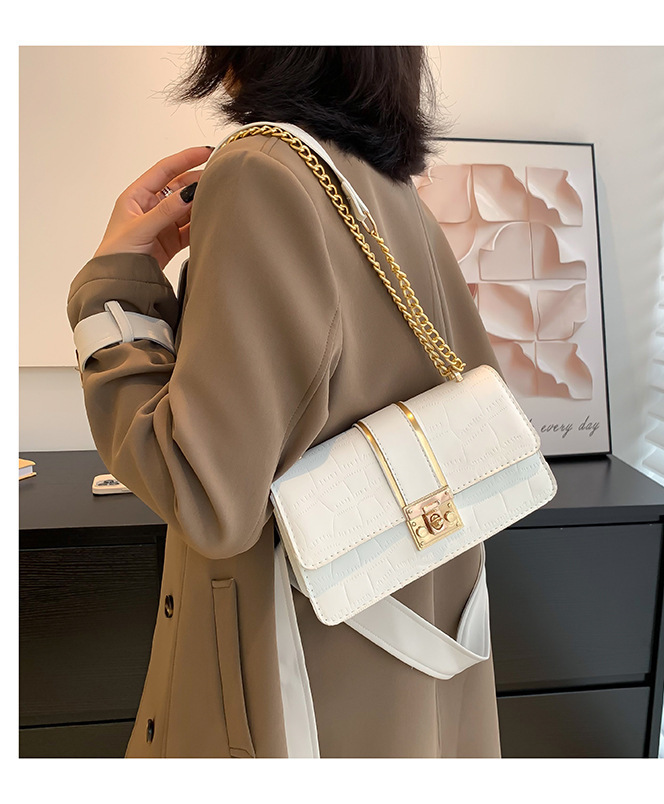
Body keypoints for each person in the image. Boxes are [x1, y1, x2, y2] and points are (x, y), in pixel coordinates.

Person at [66, 46, 503, 758]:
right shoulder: (393, 193)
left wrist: (112, 288)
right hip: (406, 680)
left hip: (292, 692)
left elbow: (204, 494)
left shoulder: (260, 171)